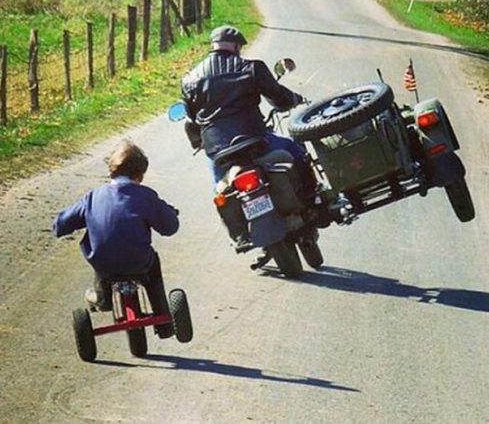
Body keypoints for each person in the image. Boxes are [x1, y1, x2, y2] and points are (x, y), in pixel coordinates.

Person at [52, 140, 179, 336]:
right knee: (153, 265)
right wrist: (170, 214)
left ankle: (103, 299)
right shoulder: (145, 196)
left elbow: (62, 224)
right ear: (140, 174)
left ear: (111, 170)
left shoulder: (93, 197)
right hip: (139, 262)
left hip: (104, 263)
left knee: (103, 256)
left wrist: (59, 225)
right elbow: (169, 227)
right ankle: (163, 320)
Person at [181, 25, 310, 185]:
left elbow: (193, 118)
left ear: (212, 45)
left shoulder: (189, 80)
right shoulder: (252, 68)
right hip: (255, 140)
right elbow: (279, 98)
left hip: (218, 151)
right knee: (297, 151)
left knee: (221, 187)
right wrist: (295, 99)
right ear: (236, 46)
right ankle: (315, 200)